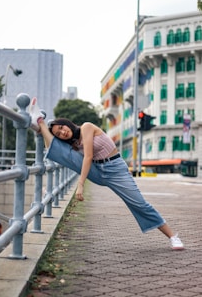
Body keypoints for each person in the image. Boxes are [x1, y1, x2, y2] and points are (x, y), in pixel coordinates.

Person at [29, 97, 184, 250]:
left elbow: (88, 156)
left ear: (67, 123)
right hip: (98, 170)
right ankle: (40, 123)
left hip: (115, 170)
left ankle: (173, 237)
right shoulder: (74, 143)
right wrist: (44, 130)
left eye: (62, 128)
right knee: (67, 154)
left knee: (138, 203)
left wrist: (80, 185)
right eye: (58, 133)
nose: (62, 132)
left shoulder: (86, 127)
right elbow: (54, 148)